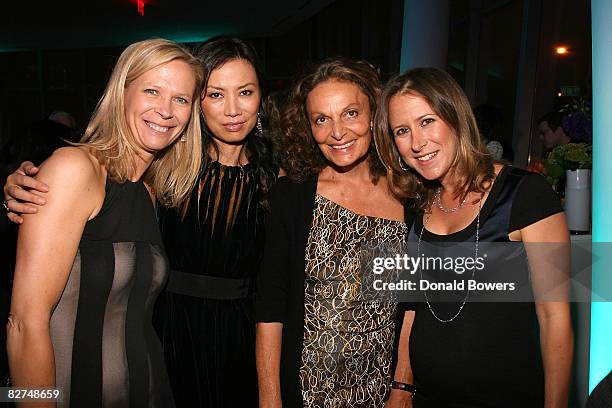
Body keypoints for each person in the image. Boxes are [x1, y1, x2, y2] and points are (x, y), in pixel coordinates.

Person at [3, 37, 278, 407]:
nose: (165, 110)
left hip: (153, 386)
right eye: (152, 91)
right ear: (122, 92)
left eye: (180, 98)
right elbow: (22, 323)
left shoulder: (154, 185)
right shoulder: (79, 170)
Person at [375, 67, 573, 407]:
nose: (417, 143)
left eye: (427, 121)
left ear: (455, 118)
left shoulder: (526, 194)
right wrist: (402, 386)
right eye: (402, 131)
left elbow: (555, 320)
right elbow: (414, 306)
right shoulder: (415, 204)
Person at [255, 58, 413, 408]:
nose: (337, 132)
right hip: (306, 391)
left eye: (350, 113)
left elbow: (412, 303)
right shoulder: (293, 195)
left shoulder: (408, 195)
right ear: (307, 128)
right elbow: (270, 307)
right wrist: (270, 399)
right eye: (321, 120)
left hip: (380, 391)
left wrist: (403, 385)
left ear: (374, 115)